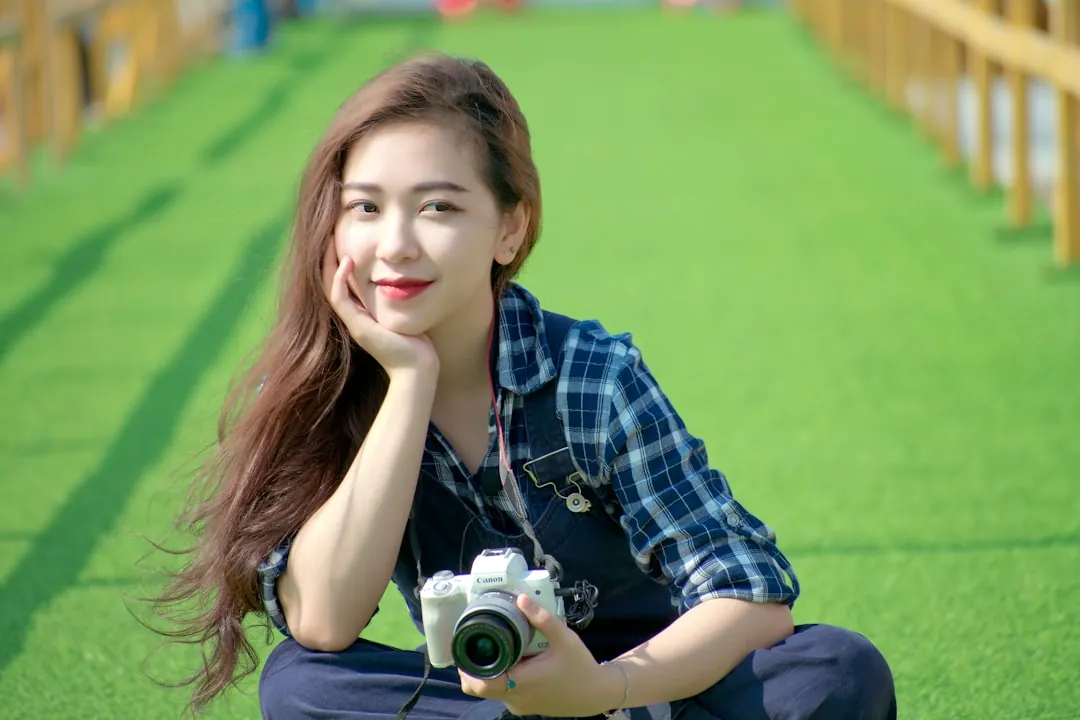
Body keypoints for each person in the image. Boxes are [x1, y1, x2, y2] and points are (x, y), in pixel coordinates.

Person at [154, 54, 896, 720]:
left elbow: (749, 594)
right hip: (488, 696)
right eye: (366, 207)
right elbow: (321, 620)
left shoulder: (589, 377)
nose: (396, 243)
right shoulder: (326, 388)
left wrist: (605, 690)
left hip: (655, 679)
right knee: (302, 684)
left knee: (834, 672)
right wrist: (409, 381)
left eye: (438, 206)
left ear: (510, 230)